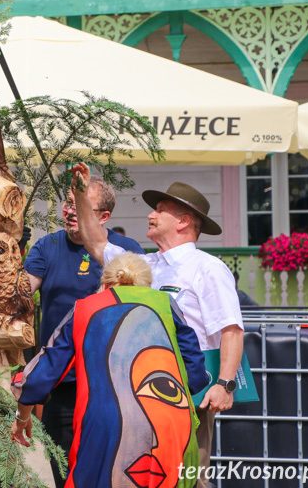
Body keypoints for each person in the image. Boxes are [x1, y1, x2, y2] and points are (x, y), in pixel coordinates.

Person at [70, 163, 244, 488]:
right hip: (138, 391)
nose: (151, 215)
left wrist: (226, 384)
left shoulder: (208, 268)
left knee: (189, 477)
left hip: (192, 392)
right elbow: (94, 242)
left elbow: (231, 330)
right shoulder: (143, 264)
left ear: (183, 221)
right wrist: (81, 193)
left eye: (160, 210)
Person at [11, 253, 210, 488]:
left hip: (106, 424)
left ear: (104, 283)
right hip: (171, 422)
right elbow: (195, 376)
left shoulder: (84, 308)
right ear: (146, 286)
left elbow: (43, 373)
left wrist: (22, 417)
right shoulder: (166, 303)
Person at [22, 175, 144, 488]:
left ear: (103, 216)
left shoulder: (125, 251)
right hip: (61, 380)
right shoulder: (47, 246)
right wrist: (9, 252)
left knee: (107, 467)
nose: (71, 211)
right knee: (61, 466)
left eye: (81, 206)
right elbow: (21, 291)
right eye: (68, 203)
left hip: (111, 380)